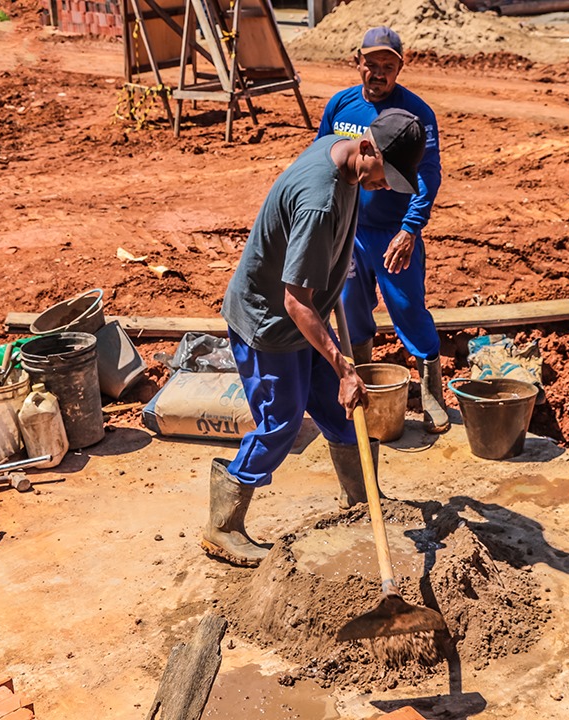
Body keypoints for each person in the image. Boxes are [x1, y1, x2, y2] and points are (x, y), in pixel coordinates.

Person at [201, 109, 428, 567]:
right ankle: (221, 526)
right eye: (386, 176)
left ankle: (361, 503)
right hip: (270, 324)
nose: (386, 187)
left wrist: (336, 267)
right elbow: (294, 302)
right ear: (367, 148)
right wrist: (343, 366)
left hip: (306, 317)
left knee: (345, 412)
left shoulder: (339, 151)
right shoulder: (320, 200)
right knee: (280, 424)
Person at [316, 26, 449, 434]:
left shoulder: (417, 114)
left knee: (408, 309)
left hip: (393, 234)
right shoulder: (341, 106)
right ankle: (365, 386)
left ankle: (430, 391)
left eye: (387, 66)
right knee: (351, 312)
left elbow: (427, 175)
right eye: (370, 65)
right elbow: (323, 160)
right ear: (358, 63)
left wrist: (410, 229)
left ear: (399, 68)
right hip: (349, 234)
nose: (378, 73)